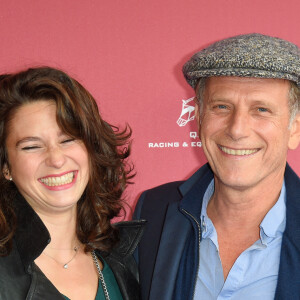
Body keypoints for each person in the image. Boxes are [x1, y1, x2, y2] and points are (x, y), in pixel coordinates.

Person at [133, 33, 300, 300]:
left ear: (295, 128)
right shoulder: (153, 211)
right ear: (198, 117)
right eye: (221, 106)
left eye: (261, 110)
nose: (237, 129)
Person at [0, 66, 145, 300]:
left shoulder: (126, 262)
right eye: (32, 146)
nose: (56, 159)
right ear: (6, 167)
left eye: (67, 140)